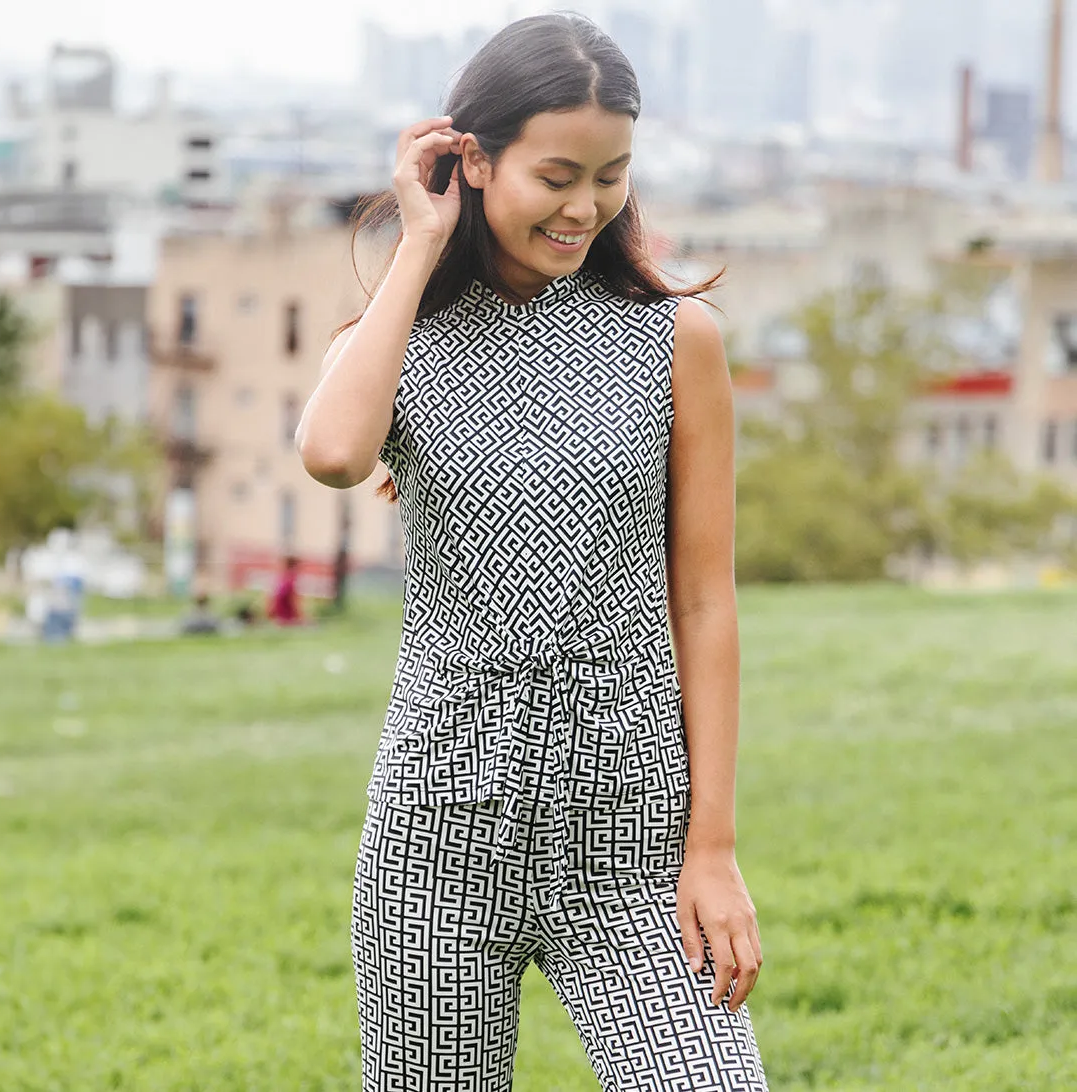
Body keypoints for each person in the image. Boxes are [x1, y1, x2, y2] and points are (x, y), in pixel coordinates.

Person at [296, 13, 767, 1091]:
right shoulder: (393, 340)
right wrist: (418, 243)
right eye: (558, 174)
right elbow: (330, 454)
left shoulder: (674, 342)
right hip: (436, 835)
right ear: (472, 158)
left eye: (611, 176)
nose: (585, 206)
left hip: (635, 847)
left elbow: (704, 603)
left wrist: (713, 848)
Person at [267, 555, 303, 626]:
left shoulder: (280, 579)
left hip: (278, 617)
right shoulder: (291, 581)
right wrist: (301, 618)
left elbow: (272, 599)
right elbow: (293, 601)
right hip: (288, 618)